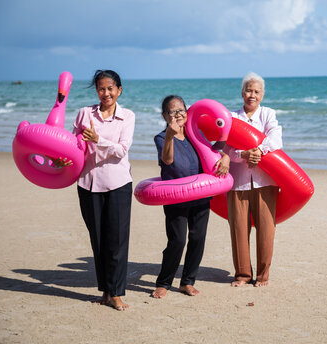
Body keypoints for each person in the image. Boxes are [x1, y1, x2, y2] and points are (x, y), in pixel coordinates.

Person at [56, 69, 135, 311]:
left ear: (119, 90)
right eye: (101, 88)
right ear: (97, 90)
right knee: (98, 240)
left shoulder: (127, 116)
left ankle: (118, 294)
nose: (106, 93)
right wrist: (62, 159)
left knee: (117, 242)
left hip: (118, 184)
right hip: (88, 184)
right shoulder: (84, 114)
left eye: (111, 88)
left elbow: (122, 150)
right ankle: (106, 291)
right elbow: (71, 144)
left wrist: (97, 139)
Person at [151, 95, 230, 299]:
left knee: (197, 238)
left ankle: (187, 281)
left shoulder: (195, 134)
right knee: (177, 241)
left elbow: (213, 152)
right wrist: (170, 135)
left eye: (181, 110)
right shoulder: (161, 137)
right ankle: (164, 282)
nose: (178, 115)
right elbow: (167, 160)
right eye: (172, 112)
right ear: (164, 116)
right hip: (175, 197)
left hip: (200, 195)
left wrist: (226, 158)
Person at [223, 72, 282, 288]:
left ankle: (263, 276)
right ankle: (242, 275)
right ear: (242, 92)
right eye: (249, 90)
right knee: (238, 229)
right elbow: (227, 149)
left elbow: (276, 139)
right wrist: (244, 155)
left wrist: (258, 150)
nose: (252, 95)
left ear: (262, 95)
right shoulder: (232, 117)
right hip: (238, 181)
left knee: (266, 229)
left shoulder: (268, 114)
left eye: (257, 91)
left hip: (265, 181)